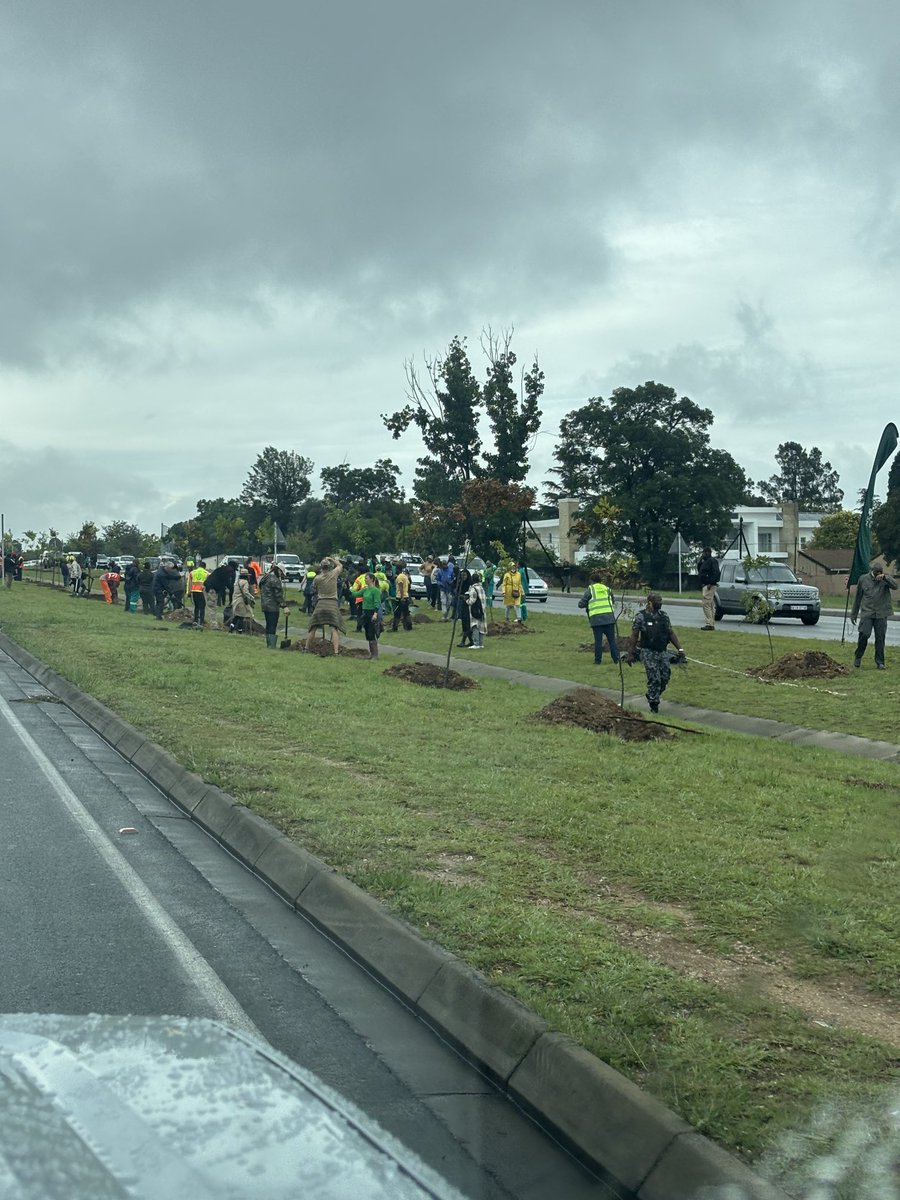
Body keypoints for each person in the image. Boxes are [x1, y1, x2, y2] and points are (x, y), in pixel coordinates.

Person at [625, 592, 685, 713]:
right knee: (654, 678)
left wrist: (680, 649)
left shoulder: (664, 616)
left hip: (662, 651)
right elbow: (634, 635)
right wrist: (630, 653)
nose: (660, 603)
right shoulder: (641, 616)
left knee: (665, 676)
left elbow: (670, 632)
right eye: (658, 601)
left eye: (661, 601)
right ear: (650, 603)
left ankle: (653, 694)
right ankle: (654, 705)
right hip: (648, 652)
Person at [851, 563, 897, 670]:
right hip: (867, 612)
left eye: (880, 572)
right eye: (876, 572)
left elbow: (895, 586)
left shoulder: (885, 579)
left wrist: (885, 578)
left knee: (880, 637)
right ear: (872, 571)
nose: (878, 574)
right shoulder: (863, 579)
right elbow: (858, 597)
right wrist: (854, 614)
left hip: (881, 613)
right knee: (864, 634)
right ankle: (858, 656)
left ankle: (880, 662)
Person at [578, 570, 619, 665]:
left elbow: (581, 604)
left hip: (596, 619)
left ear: (591, 581)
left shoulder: (590, 589)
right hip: (609, 618)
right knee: (612, 640)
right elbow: (612, 601)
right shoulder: (607, 589)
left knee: (598, 641)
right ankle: (616, 660)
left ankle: (598, 661)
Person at [305, 556, 344, 655]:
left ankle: (306, 648)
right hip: (332, 603)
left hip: (321, 603)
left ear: (321, 567)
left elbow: (313, 589)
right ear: (329, 567)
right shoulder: (334, 574)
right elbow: (340, 565)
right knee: (334, 628)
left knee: (313, 627)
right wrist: (331, 559)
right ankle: (336, 652)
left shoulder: (317, 578)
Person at [259, 562, 288, 649]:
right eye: (281, 573)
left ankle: (269, 644)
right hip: (272, 606)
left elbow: (260, 586)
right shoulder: (275, 579)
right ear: (278, 570)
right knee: (272, 625)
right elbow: (278, 595)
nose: (281, 576)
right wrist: (284, 606)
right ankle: (271, 645)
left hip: (265, 604)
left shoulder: (266, 577)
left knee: (268, 624)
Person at [697, 547, 720, 631]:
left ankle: (709, 623)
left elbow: (716, 573)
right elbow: (700, 570)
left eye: (704, 553)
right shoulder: (705, 562)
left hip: (709, 585)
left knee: (706, 604)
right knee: (710, 604)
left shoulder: (712, 561)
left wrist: (711, 582)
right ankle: (711, 623)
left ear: (708, 553)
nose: (703, 554)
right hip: (705, 585)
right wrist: (700, 561)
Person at [360, 572, 382, 658]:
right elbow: (355, 594)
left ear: (372, 579)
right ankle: (371, 653)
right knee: (368, 634)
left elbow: (377, 603)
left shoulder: (375, 590)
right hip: (366, 613)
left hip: (372, 613)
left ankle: (375, 655)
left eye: (366, 578)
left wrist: (375, 614)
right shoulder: (365, 589)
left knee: (372, 633)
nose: (365, 580)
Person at [232, 567, 256, 633]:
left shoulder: (237, 582)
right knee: (241, 616)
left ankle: (231, 628)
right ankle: (240, 630)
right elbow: (246, 592)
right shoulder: (245, 582)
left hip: (235, 600)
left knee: (236, 616)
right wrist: (252, 598)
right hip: (241, 601)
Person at [466, 572, 487, 648]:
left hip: (475, 610)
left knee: (475, 626)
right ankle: (481, 643)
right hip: (482, 609)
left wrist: (466, 601)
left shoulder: (473, 589)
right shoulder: (481, 588)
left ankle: (476, 644)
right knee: (481, 626)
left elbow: (472, 600)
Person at [392, 562, 412, 631]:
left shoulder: (399, 577)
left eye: (395, 569)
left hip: (400, 597)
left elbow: (400, 587)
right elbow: (408, 584)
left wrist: (402, 597)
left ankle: (394, 628)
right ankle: (408, 627)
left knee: (397, 613)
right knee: (406, 613)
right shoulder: (404, 576)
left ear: (398, 569)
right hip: (406, 596)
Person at [189, 559, 209, 627]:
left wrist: (189, 592)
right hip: (201, 591)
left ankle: (195, 620)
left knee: (196, 606)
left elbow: (189, 583)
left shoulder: (192, 572)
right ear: (204, 567)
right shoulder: (207, 573)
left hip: (194, 591)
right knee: (202, 606)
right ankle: (201, 621)